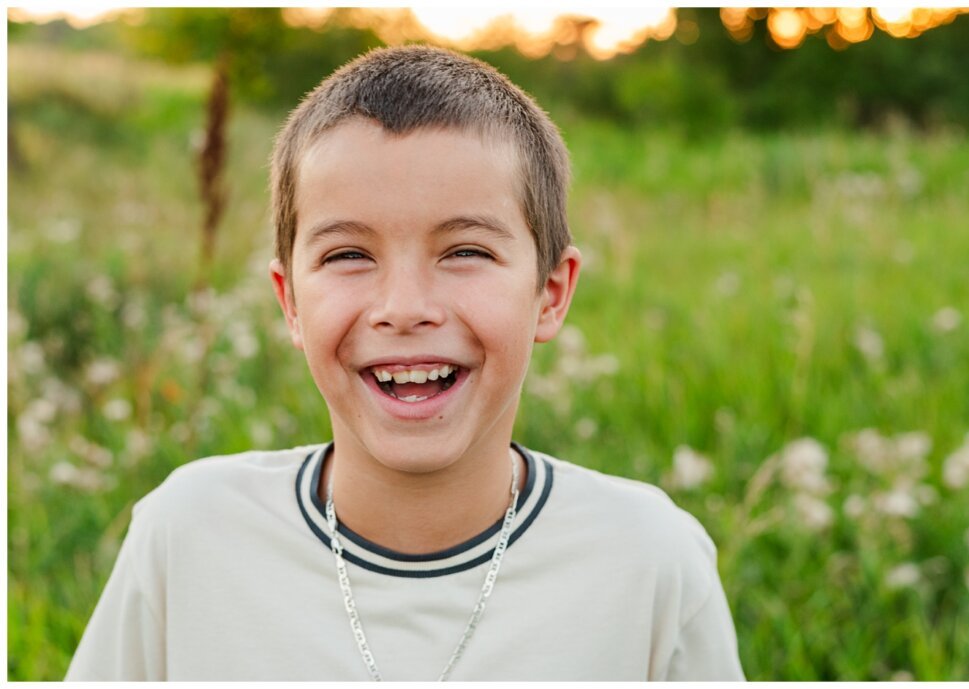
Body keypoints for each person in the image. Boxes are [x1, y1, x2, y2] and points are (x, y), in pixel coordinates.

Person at [65, 45, 744, 681]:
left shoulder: (650, 560)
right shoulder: (190, 535)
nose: (405, 307)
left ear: (550, 293)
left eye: (466, 251)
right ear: (291, 301)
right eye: (348, 255)